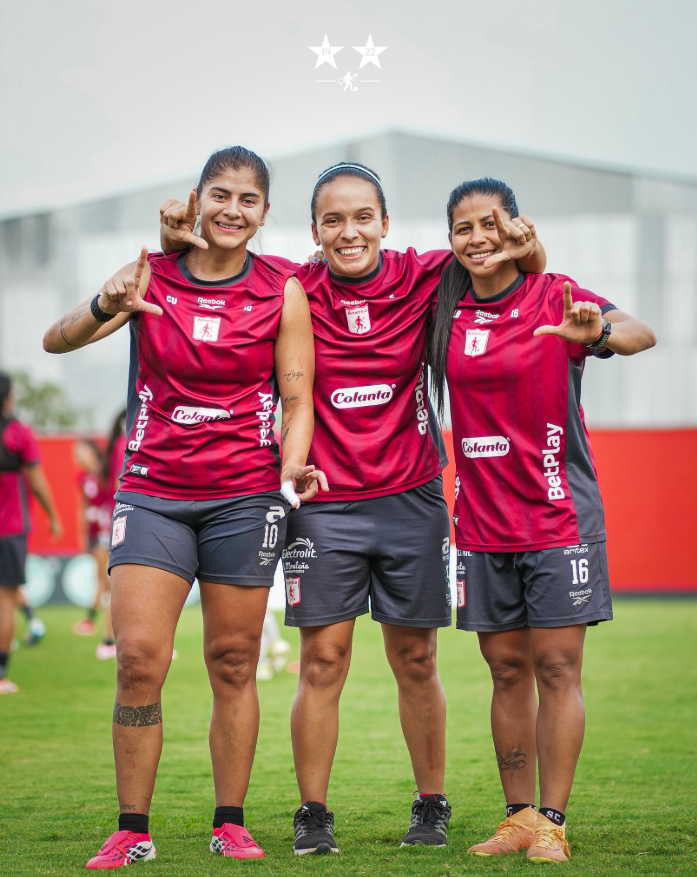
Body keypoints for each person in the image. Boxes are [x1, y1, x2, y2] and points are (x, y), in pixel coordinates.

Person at [159, 163, 547, 853]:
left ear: (385, 222)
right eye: (332, 219)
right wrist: (170, 244)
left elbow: (506, 268)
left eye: (362, 216)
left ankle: (431, 802)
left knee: (415, 658)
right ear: (312, 231)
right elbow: (210, 268)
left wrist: (524, 240)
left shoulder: (427, 272)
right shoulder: (290, 285)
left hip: (412, 498)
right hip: (324, 503)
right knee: (322, 659)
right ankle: (313, 811)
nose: (349, 231)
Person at [43, 146, 325, 867]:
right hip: (153, 493)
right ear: (197, 200)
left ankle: (228, 819)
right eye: (220, 195)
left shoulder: (282, 289)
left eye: (248, 200)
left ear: (264, 213)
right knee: (138, 659)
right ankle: (131, 827)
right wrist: (109, 300)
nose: (232, 210)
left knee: (233, 659)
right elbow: (57, 340)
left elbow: (297, 398)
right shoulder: (151, 275)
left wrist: (293, 464)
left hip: (244, 496)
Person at [428, 178, 656, 864]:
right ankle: (518, 816)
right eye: (463, 226)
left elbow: (641, 332)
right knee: (504, 671)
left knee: (556, 667)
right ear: (451, 240)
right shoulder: (444, 311)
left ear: (515, 227)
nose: (477, 236)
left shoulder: (554, 292)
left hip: (558, 520)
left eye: (490, 222)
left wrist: (602, 333)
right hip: (480, 525)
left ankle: (553, 820)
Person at [0, 372, 63, 693]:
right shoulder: (18, 434)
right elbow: (37, 482)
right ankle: (1, 676)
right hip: (9, 529)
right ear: (9, 398)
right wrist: (54, 516)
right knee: (5, 601)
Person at [72, 438, 117, 658]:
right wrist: (82, 536)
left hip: (109, 532)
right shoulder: (82, 478)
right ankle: (106, 637)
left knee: (107, 583)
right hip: (96, 536)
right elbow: (82, 508)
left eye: (79, 452)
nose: (76, 457)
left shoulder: (107, 472)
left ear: (92, 452)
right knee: (106, 583)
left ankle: (102, 633)